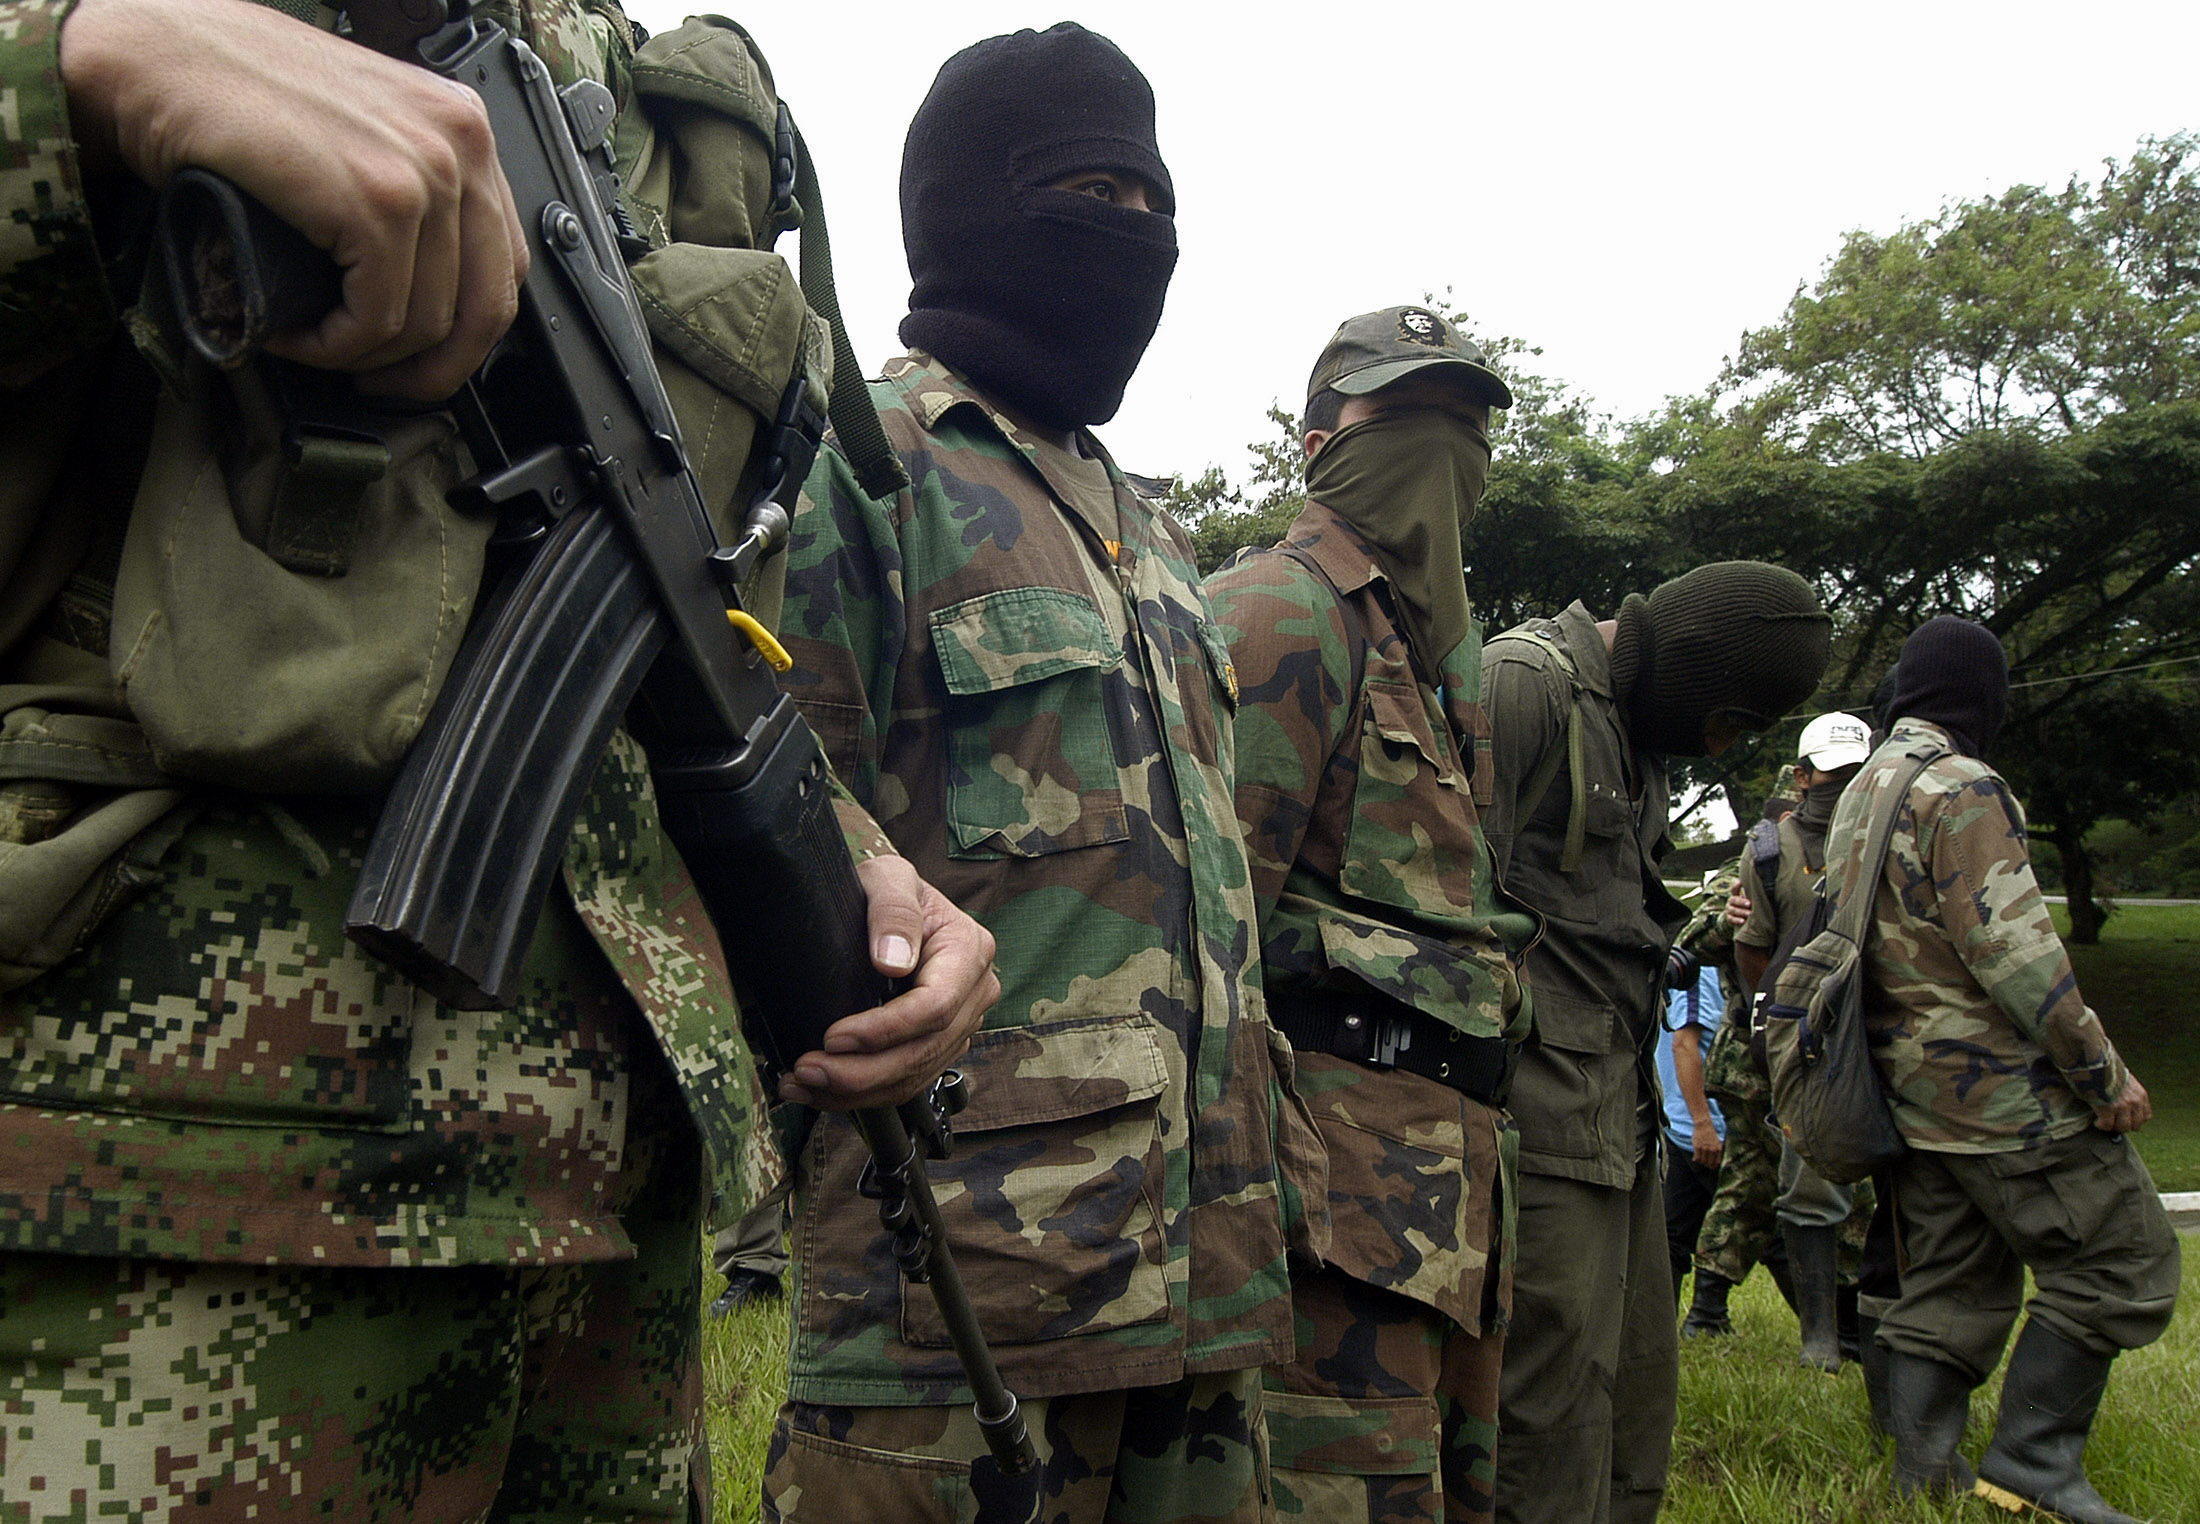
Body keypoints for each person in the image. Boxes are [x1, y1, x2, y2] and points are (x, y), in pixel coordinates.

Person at [0, 1, 994, 1514]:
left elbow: (645, 610)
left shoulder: (618, 59)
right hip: (150, 1194)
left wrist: (849, 853)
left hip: (605, 1221)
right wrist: (78, 74)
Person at [758, 25, 1298, 1522]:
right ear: (964, 212)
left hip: (1205, 1283)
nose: (1131, 237)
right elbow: (764, 774)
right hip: (958, 1290)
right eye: (1084, 192)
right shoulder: (858, 465)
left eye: (1151, 204)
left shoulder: (1161, 540)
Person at [1206, 306, 1529, 1523]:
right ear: (1315, 440)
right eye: (1400, 417)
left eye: (1466, 422)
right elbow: (1212, 931)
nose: (1442, 445)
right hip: (1329, 1215)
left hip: (1451, 1208)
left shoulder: (1442, 661)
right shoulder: (1279, 614)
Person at [1481, 561, 1831, 1524]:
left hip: (1618, 1122)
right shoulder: (1524, 686)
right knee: (1537, 1414)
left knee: (1634, 1398)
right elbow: (1434, 905)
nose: (1723, 747)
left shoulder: (1637, 731)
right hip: (1531, 1124)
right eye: (1726, 721)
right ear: (1679, 670)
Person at [1829, 617, 2179, 1519]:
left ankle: (1925, 1478)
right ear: (1979, 695)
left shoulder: (1866, 785)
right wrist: (2104, 1075)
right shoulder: (1962, 786)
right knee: (2122, 1265)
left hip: (1906, 1091)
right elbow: (2016, 956)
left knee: (1951, 1281)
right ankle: (2033, 1463)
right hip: (2001, 1097)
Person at [1711, 713, 1881, 1371]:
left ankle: (1873, 1334)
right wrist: (1783, 1021)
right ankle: (1820, 1338)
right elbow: (1752, 949)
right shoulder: (1769, 851)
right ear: (1802, 776)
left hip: (1883, 1028)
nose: (1842, 786)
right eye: (1830, 774)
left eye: (1854, 774)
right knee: (1805, 1187)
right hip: (1808, 1044)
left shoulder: (1887, 835)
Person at [1657, 902, 1728, 1307]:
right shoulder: (1698, 969)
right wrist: (1703, 1123)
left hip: (1693, 1121)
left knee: (1680, 1229)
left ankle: (1706, 1312)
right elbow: (1684, 1043)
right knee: (1757, 1222)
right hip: (1698, 1127)